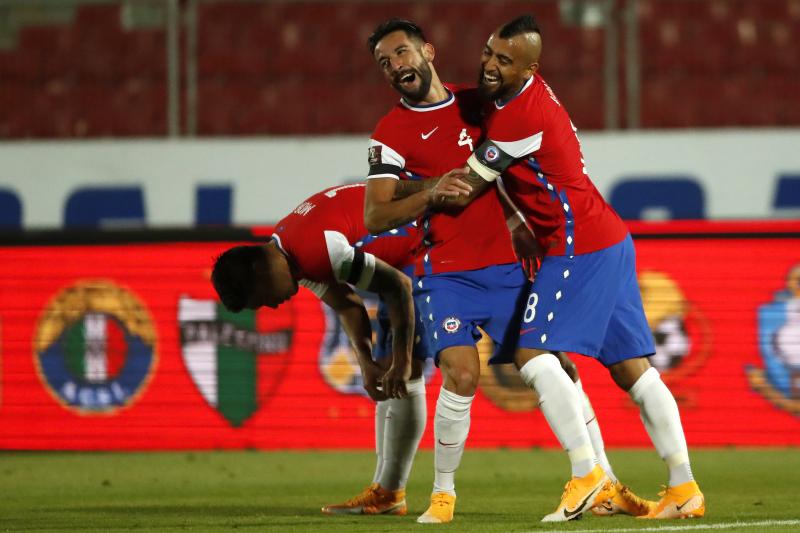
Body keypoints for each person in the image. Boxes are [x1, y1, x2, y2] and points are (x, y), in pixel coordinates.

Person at [358, 18, 653, 524]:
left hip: (504, 268)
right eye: (385, 62)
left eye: (402, 52)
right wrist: (430, 191)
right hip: (444, 274)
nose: (396, 66)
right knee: (461, 372)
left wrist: (532, 232)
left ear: (428, 51)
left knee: (556, 366)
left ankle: (600, 477)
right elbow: (375, 213)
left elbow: (527, 164)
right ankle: (444, 495)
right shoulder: (390, 132)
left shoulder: (480, 104)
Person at [432, 14, 705, 521]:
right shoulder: (517, 95)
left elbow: (464, 189)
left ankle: (588, 474)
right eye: (489, 52)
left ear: (531, 67)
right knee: (632, 371)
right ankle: (684, 486)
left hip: (578, 243)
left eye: (505, 60)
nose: (491, 65)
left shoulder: (520, 117)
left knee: (531, 351)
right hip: (608, 236)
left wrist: (408, 191)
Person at [211, 183, 427, 516]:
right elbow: (346, 304)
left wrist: (403, 358)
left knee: (408, 370)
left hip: (430, 243)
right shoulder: (289, 254)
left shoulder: (316, 250)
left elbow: (399, 286)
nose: (271, 305)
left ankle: (401, 492)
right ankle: (386, 492)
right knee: (389, 370)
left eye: (262, 300)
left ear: (259, 272)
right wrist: (366, 362)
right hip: (408, 253)